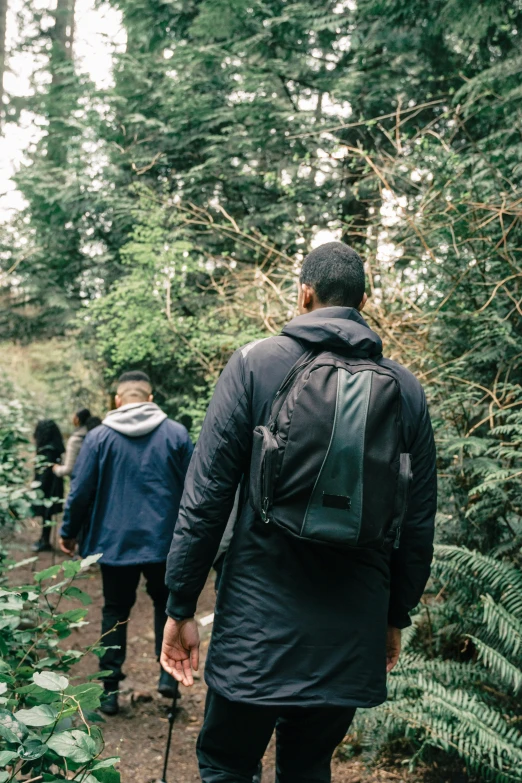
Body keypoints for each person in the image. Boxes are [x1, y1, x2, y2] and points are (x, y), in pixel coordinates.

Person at [161, 242, 437, 783]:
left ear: (303, 293)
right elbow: (417, 520)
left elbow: (207, 497)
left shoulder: (255, 364)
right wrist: (394, 615)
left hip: (256, 629)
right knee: (309, 763)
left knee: (227, 762)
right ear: (364, 299)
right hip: (350, 625)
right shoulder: (404, 390)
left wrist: (180, 604)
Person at [59, 371, 193, 715]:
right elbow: (196, 489)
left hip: (114, 544)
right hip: (165, 544)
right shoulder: (176, 434)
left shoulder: (99, 437)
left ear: (118, 401)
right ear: (150, 398)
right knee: (168, 607)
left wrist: (68, 532)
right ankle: (168, 679)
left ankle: (109, 690)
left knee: (115, 611)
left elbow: (81, 490)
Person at [32, 420, 65, 552]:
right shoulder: (53, 447)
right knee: (47, 513)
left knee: (47, 513)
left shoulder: (48, 450)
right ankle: (44, 539)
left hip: (48, 487)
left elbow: (45, 472)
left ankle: (45, 540)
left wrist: (39, 488)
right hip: (52, 485)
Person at [52, 408, 90, 479]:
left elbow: (69, 469)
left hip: (80, 482)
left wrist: (56, 469)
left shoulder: (75, 440)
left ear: (77, 419)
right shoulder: (95, 435)